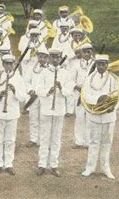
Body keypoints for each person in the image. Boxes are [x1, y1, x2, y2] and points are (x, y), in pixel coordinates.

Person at [34, 48, 74, 177]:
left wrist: (61, 88)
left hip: (59, 109)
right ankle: (42, 164)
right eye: (53, 57)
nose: (56, 60)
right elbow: (38, 89)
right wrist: (48, 91)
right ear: (49, 58)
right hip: (46, 108)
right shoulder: (44, 72)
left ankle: (54, 165)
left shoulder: (65, 74)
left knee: (56, 138)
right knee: (45, 137)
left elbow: (69, 92)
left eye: (58, 57)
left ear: (60, 57)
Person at [81, 55, 119, 180]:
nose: (101, 67)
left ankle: (106, 169)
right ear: (96, 65)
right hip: (95, 116)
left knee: (106, 143)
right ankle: (90, 168)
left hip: (109, 116)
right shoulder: (90, 79)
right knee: (93, 142)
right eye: (99, 64)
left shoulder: (113, 79)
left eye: (104, 64)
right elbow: (86, 95)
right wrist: (98, 101)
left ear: (107, 65)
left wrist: (114, 106)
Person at [0, 54, 27, 175]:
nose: (9, 66)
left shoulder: (19, 79)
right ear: (3, 64)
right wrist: (0, 95)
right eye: (6, 64)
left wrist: (15, 91)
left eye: (11, 64)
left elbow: (23, 97)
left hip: (12, 112)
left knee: (10, 139)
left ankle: (9, 163)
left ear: (14, 64)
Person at [22, 46, 50, 147]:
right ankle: (33, 139)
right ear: (37, 56)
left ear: (47, 58)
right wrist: (30, 90)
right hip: (33, 97)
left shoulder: (50, 69)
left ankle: (43, 140)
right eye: (40, 56)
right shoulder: (31, 67)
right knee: (33, 118)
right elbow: (26, 80)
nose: (42, 59)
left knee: (44, 119)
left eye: (44, 57)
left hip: (45, 97)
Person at [72, 43, 95, 148]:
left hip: (91, 94)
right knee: (80, 117)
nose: (86, 54)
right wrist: (77, 88)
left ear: (92, 52)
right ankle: (79, 141)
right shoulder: (76, 65)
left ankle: (88, 141)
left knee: (90, 117)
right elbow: (71, 80)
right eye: (84, 52)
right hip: (79, 94)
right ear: (81, 53)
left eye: (89, 51)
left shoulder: (96, 64)